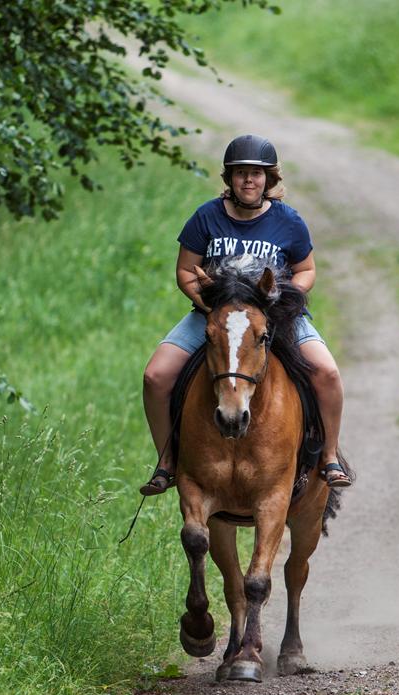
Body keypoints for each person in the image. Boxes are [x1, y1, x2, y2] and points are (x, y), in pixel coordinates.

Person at [140, 133, 350, 495]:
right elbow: (186, 271)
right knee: (155, 376)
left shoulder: (289, 221)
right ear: (229, 179)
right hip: (217, 319)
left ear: (270, 179)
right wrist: (210, 308)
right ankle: (166, 460)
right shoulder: (206, 217)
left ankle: (329, 456)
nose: (248, 180)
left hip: (275, 319)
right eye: (240, 173)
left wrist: (286, 299)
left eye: (256, 173)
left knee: (328, 373)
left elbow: (307, 270)